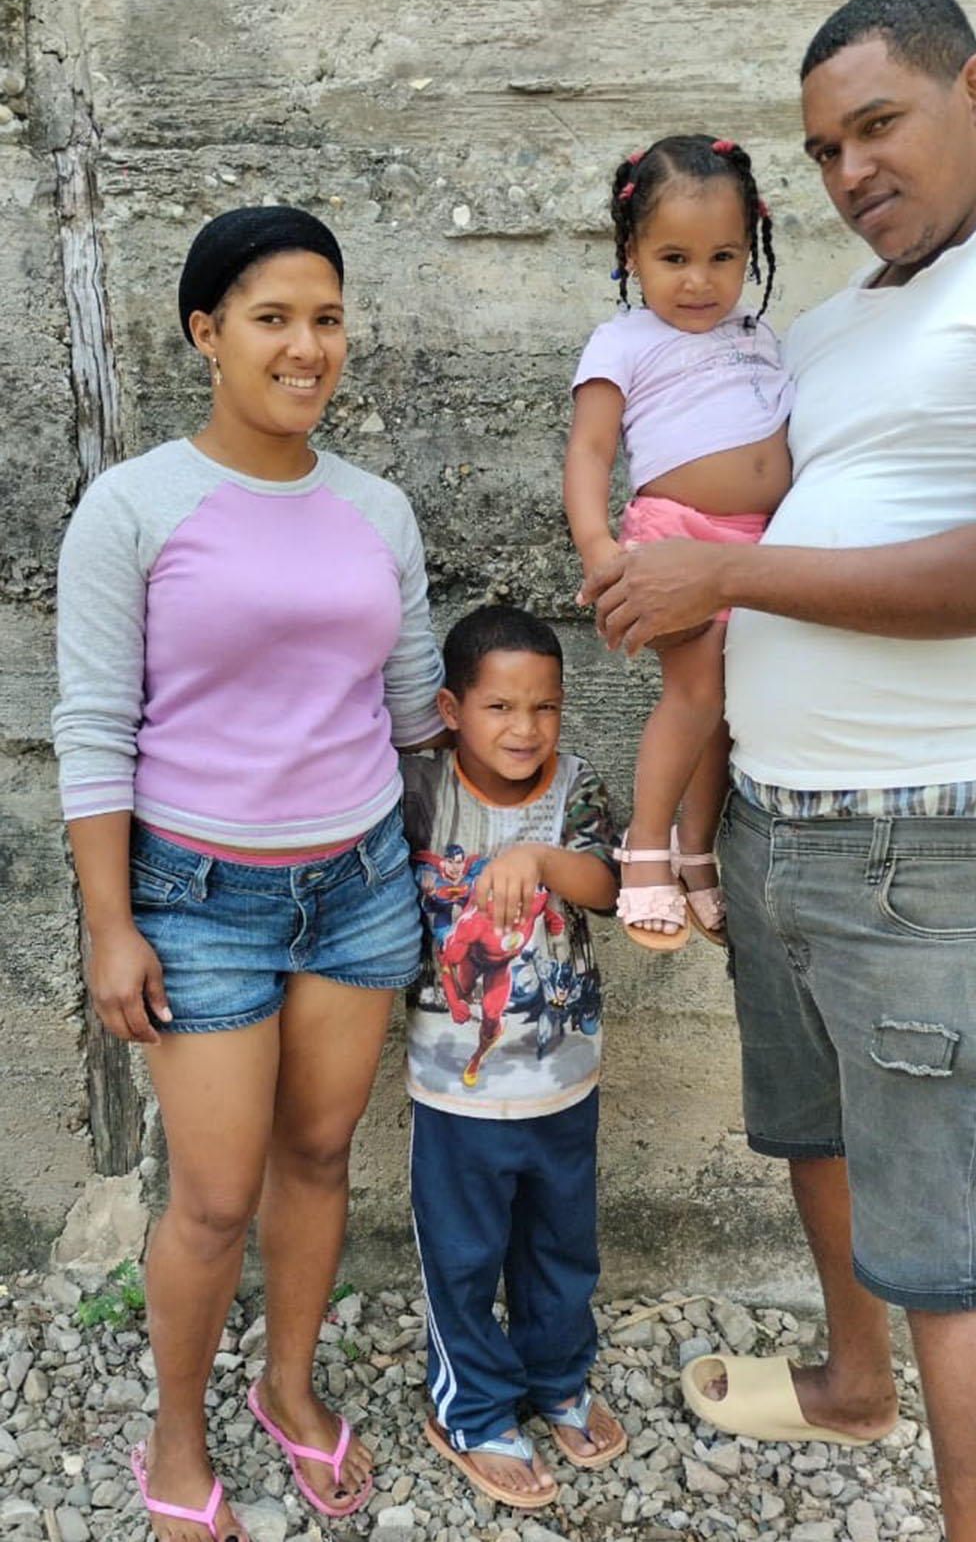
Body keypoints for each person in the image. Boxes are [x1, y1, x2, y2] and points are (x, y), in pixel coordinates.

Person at [582, 0, 976, 1541]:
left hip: (926, 832)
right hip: (774, 818)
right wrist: (614, 504)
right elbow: (750, 477)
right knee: (813, 1131)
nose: (850, 172)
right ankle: (851, 1383)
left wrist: (727, 583)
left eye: (878, 126)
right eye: (826, 149)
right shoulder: (830, 322)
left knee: (958, 1233)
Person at [52, 206, 445, 1542]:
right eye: (273, 318)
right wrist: (111, 924)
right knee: (214, 1195)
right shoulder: (135, 507)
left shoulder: (376, 509)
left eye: (326, 317)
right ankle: (177, 1430)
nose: (307, 345)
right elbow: (96, 728)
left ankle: (288, 1386)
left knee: (320, 1152)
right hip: (197, 897)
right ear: (205, 333)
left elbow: (410, 713)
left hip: (357, 885)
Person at [400, 605, 626, 1509]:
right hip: (457, 1096)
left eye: (545, 708)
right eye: (499, 707)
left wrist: (534, 855)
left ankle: (557, 1377)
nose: (524, 729)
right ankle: (473, 1408)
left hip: (565, 1079)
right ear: (452, 709)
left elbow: (607, 886)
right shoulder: (421, 792)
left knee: (562, 1247)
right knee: (462, 1254)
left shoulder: (575, 788)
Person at [564, 135, 793, 950]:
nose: (699, 281)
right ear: (632, 253)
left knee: (725, 713)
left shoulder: (760, 335)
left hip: (759, 545)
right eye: (674, 257)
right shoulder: (621, 341)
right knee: (693, 697)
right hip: (674, 536)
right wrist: (600, 548)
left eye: (722, 256)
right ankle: (647, 849)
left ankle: (699, 853)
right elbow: (591, 453)